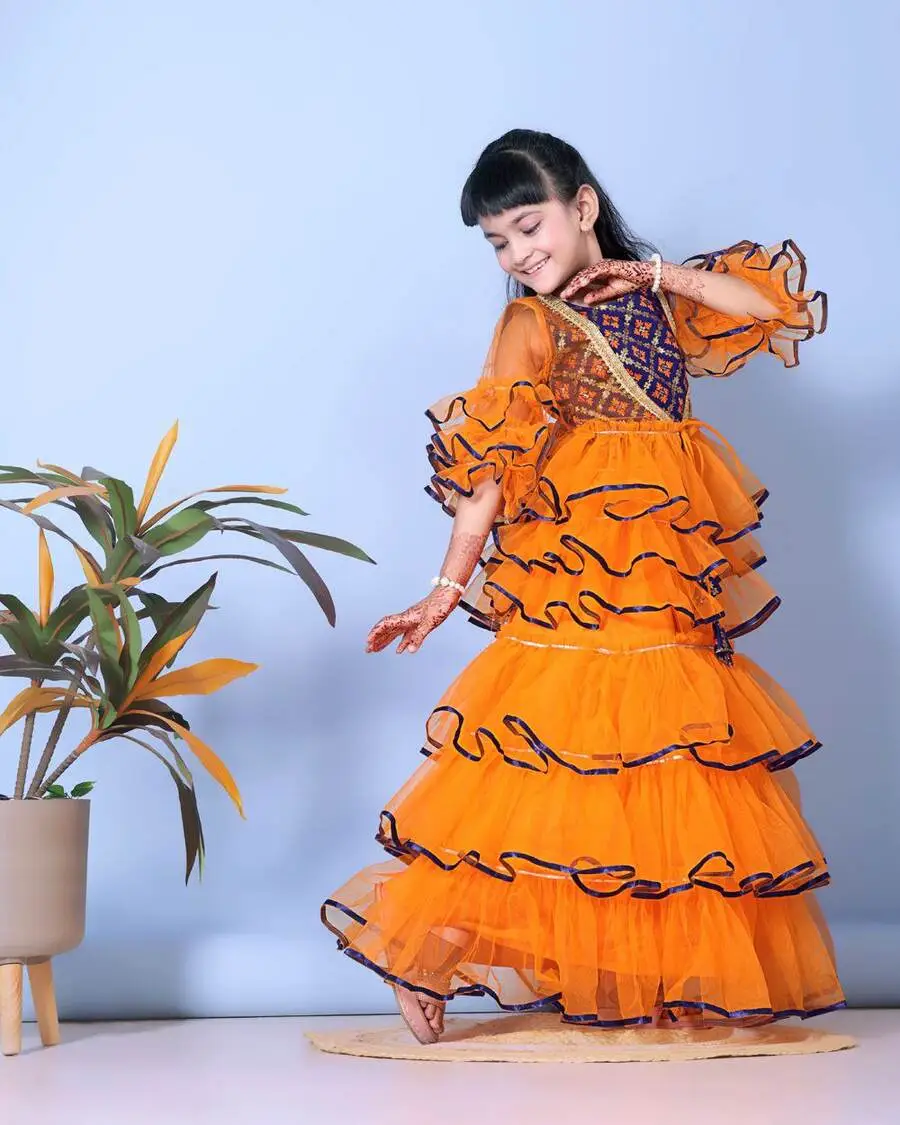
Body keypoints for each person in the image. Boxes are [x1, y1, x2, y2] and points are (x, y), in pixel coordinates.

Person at [321, 129, 846, 1044]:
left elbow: (768, 304)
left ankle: (647, 972)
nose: (517, 255)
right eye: (498, 242)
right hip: (582, 575)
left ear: (583, 207)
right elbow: (490, 471)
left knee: (660, 765)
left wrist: (655, 275)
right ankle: (428, 945)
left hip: (666, 572)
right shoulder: (531, 325)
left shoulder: (657, 300)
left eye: (529, 227)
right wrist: (445, 587)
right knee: (554, 769)